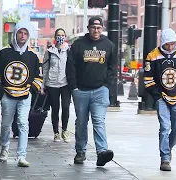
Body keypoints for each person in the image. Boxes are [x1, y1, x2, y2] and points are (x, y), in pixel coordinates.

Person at [0, 22, 43, 167]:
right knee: (6, 124)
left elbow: (38, 76)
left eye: (25, 33)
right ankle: (4, 148)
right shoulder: (4, 53)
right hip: (7, 95)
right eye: (20, 32)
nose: (23, 36)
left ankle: (21, 155)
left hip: (25, 96)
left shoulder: (33, 55)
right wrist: (0, 93)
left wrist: (31, 90)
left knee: (23, 124)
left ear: (28, 35)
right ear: (16, 33)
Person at [66, 16, 116, 166]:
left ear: (102, 29)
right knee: (81, 122)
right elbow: (70, 67)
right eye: (93, 27)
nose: (96, 30)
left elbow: (113, 67)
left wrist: (107, 85)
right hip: (80, 90)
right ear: (88, 28)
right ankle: (80, 151)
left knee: (99, 121)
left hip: (100, 90)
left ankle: (102, 152)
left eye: (99, 28)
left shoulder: (109, 45)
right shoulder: (78, 45)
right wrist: (73, 87)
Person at [143, 28, 176, 171]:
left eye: (172, 43)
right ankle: (164, 158)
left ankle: (168, 148)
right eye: (167, 44)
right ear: (162, 43)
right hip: (161, 97)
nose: (170, 47)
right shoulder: (152, 56)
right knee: (164, 127)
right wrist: (157, 95)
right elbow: (148, 79)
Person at [42, 28, 71, 143]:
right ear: (55, 37)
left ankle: (64, 130)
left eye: (62, 35)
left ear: (65, 37)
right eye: (58, 35)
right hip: (52, 83)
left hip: (65, 83)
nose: (61, 37)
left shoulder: (69, 51)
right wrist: (43, 85)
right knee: (55, 108)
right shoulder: (49, 52)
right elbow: (45, 68)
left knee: (65, 107)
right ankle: (56, 132)